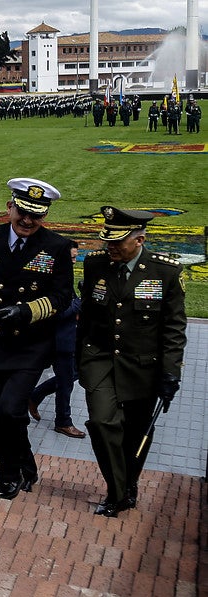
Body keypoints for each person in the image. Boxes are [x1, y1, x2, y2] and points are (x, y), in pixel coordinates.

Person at [77, 206, 186, 518]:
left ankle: (128, 485)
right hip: (99, 359)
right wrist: (78, 359)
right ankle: (118, 490)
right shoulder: (97, 264)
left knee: (137, 432)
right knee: (101, 422)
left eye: (118, 242)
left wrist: (170, 373)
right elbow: (87, 316)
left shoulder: (165, 272)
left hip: (143, 366)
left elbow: (173, 329)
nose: (109, 247)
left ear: (139, 240)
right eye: (107, 240)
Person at [0, 178, 74, 501]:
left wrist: (27, 311)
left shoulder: (56, 247)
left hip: (30, 346)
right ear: (10, 207)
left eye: (37, 215)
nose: (29, 221)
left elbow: (62, 297)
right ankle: (27, 463)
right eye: (23, 212)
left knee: (7, 409)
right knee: (12, 412)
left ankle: (7, 476)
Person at [28, 240, 86, 438]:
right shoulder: (49, 279)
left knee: (70, 376)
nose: (74, 261)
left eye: (76, 258)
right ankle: (63, 421)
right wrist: (80, 305)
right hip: (55, 338)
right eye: (71, 258)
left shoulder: (63, 274)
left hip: (65, 336)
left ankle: (36, 396)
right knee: (67, 381)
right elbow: (55, 311)